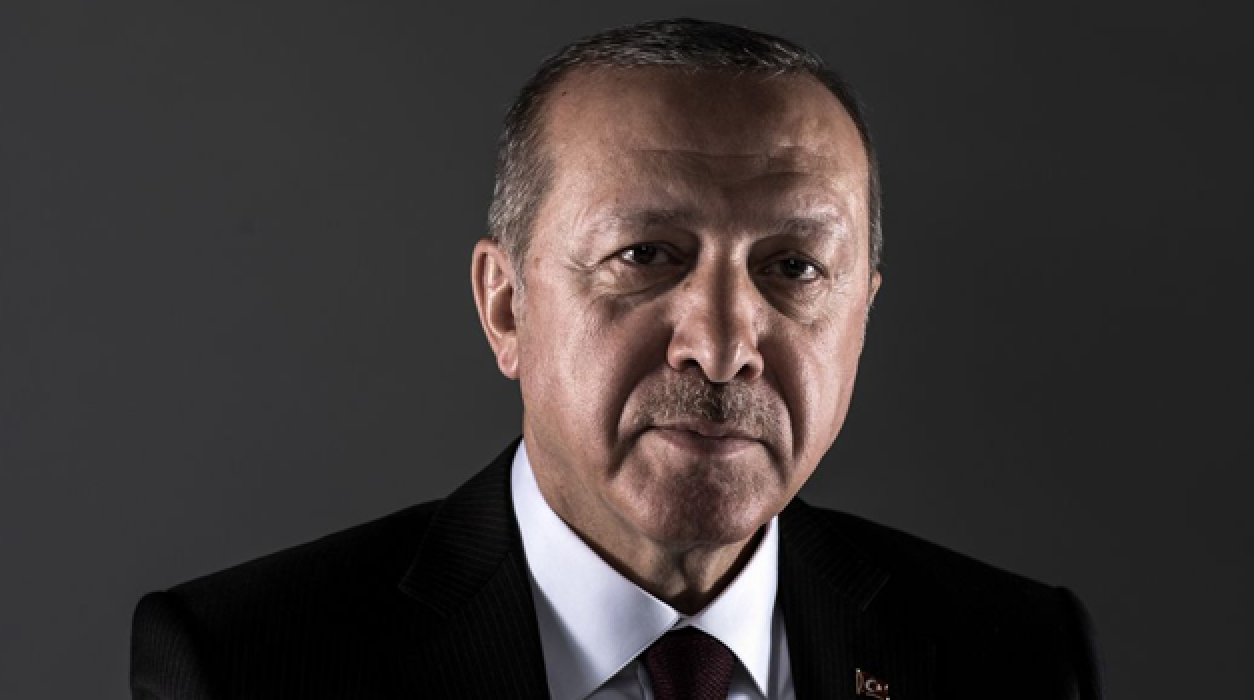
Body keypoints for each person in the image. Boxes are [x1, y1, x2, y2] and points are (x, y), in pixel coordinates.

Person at [131, 18, 1104, 700]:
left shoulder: (1013, 657)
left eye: (793, 267)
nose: (721, 349)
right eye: (645, 256)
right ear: (505, 306)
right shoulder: (251, 666)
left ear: (861, 315)